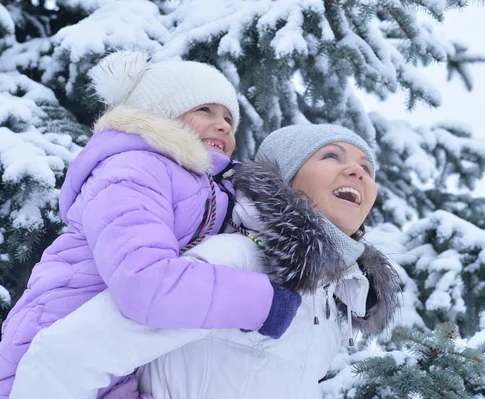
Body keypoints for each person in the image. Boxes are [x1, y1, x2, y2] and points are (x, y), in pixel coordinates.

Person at [10, 124, 401, 399]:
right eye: (331, 156)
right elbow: (62, 358)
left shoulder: (334, 301)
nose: (357, 171)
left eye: (367, 168)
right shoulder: (238, 259)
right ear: (285, 177)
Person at [0, 51, 300, 398]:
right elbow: (144, 281)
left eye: (229, 119)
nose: (223, 125)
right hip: (51, 354)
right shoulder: (133, 169)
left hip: (113, 365)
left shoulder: (207, 188)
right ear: (161, 112)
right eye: (205, 109)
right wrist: (262, 303)